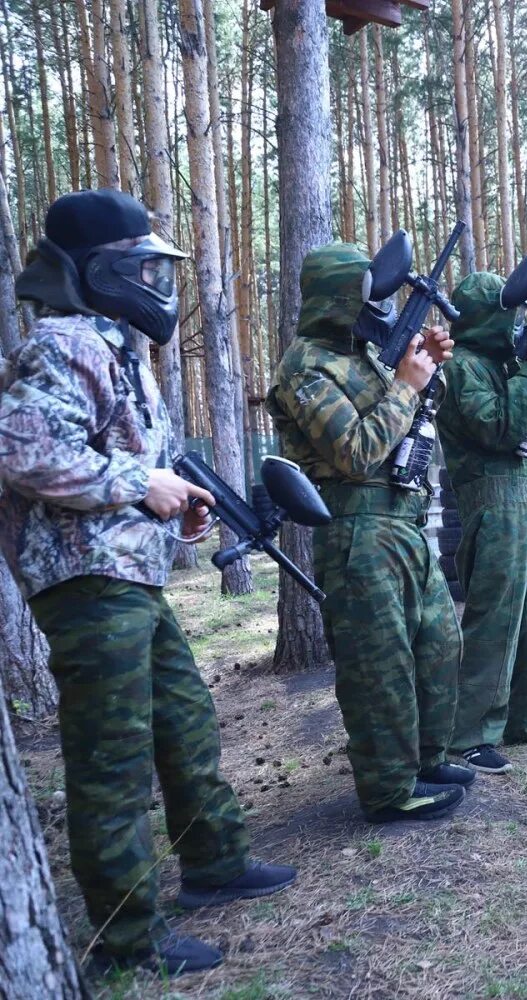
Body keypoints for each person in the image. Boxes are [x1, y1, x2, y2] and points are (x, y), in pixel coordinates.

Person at [0, 189, 294, 975]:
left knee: (184, 722)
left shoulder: (115, 346)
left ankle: (215, 864)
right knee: (114, 756)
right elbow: (26, 454)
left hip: (128, 577)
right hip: (85, 582)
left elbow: (125, 462)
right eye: (143, 268)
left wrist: (175, 505)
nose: (157, 286)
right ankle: (127, 939)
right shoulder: (61, 344)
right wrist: (140, 484)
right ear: (101, 269)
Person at [266, 242, 471, 823]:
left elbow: (418, 419)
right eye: (366, 295)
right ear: (337, 299)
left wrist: (427, 368)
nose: (376, 306)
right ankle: (387, 791)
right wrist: (405, 384)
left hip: (403, 520)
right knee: (378, 667)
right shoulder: (305, 366)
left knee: (437, 646)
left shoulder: (366, 357)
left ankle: (427, 759)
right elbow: (356, 452)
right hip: (356, 528)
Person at [434, 271, 527, 774]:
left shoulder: (509, 362)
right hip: (493, 501)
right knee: (494, 620)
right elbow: (498, 428)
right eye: (505, 308)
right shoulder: (464, 369)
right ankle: (471, 732)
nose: (513, 318)